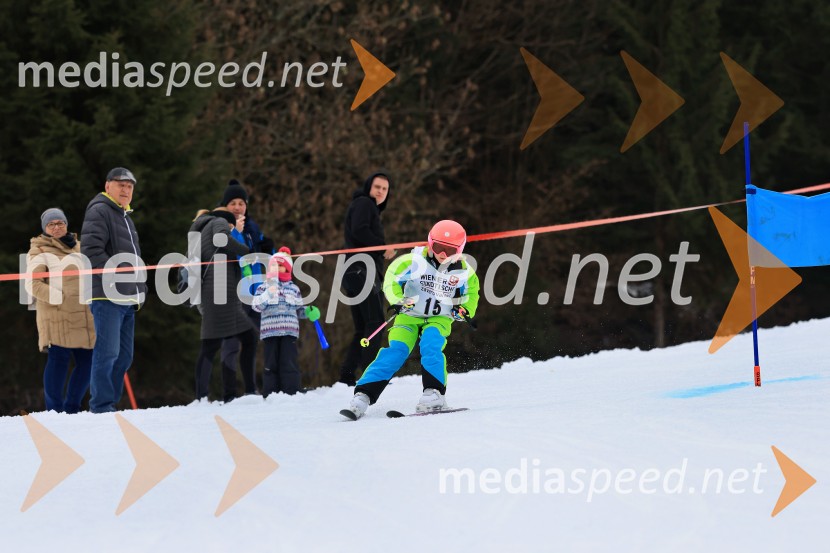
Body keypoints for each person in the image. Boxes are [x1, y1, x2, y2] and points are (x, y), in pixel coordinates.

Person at [342, 220, 479, 419]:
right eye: (438, 247)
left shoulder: (464, 271)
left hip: (439, 318)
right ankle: (363, 394)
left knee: (431, 345)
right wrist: (397, 300)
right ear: (430, 243)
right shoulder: (414, 260)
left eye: (450, 250)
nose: (443, 254)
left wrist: (465, 309)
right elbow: (392, 277)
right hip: (409, 316)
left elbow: (472, 293)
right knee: (396, 351)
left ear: (459, 250)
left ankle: (434, 394)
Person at [81, 167, 146, 413]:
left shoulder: (125, 217)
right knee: (107, 353)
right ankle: (101, 406)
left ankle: (110, 403)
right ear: (108, 186)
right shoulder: (100, 211)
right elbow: (92, 251)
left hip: (128, 297)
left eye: (130, 187)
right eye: (121, 185)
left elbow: (134, 258)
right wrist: (118, 275)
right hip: (106, 294)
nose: (126, 190)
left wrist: (140, 285)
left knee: (124, 357)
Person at [27, 208, 95, 413]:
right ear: (45, 229)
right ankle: (54, 411)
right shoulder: (39, 250)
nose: (57, 227)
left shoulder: (81, 248)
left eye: (60, 223)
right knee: (59, 360)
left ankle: (72, 407)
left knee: (88, 362)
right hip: (57, 314)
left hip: (84, 314)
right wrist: (60, 298)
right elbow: (33, 283)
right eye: (51, 224)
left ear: (66, 224)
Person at [190, 207, 258, 402]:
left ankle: (204, 396)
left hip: (215, 295)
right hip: (219, 294)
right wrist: (247, 251)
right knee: (218, 344)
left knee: (216, 344)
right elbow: (222, 240)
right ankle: (247, 391)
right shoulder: (218, 222)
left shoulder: (201, 229)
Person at [339, 171, 397, 386]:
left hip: (353, 272)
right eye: (377, 187)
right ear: (368, 187)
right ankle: (371, 374)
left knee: (363, 327)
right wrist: (383, 249)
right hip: (362, 271)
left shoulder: (365, 206)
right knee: (376, 323)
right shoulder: (365, 203)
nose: (380, 191)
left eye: (384, 189)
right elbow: (360, 230)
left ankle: (347, 374)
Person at [218, 179, 274, 397]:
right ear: (225, 206)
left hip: (255, 292)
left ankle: (251, 389)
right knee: (231, 343)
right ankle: (229, 393)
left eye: (241, 202)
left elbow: (267, 255)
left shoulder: (252, 227)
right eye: (232, 202)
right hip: (232, 291)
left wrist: (270, 249)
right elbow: (233, 250)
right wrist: (235, 230)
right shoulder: (220, 225)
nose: (238, 207)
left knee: (251, 340)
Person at [251, 247, 320, 396]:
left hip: (289, 331)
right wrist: (268, 293)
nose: (277, 269)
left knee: (288, 361)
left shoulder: (293, 289)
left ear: (287, 269)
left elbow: (298, 309)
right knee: (271, 363)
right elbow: (256, 306)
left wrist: (308, 311)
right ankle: (270, 392)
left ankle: (291, 390)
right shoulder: (263, 287)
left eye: (280, 266)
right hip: (270, 332)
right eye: (273, 266)